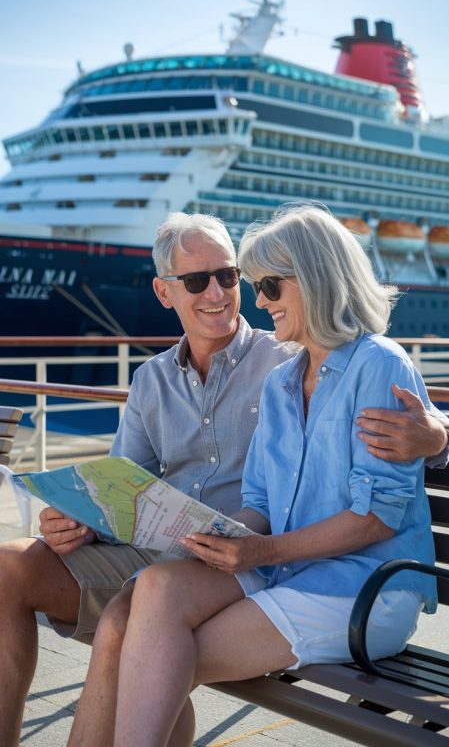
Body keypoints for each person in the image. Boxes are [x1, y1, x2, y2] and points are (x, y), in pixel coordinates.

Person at [0, 212, 446, 747]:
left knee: (150, 652)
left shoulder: (371, 364)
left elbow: (378, 513)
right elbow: (253, 498)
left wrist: (440, 435)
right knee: (146, 607)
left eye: (258, 283)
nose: (254, 299)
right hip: (269, 565)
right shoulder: (283, 380)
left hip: (355, 583)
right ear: (166, 292)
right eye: (203, 281)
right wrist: (112, 519)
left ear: (315, 277)